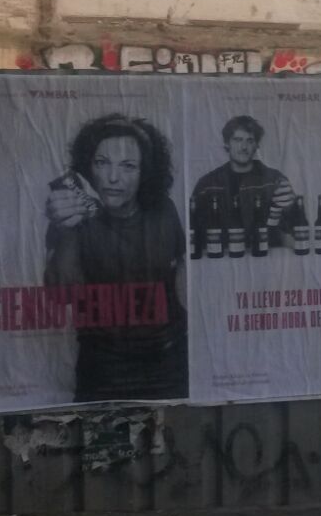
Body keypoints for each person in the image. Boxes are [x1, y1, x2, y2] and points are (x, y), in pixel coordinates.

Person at [45, 114, 187, 402]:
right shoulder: (71, 217)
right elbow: (61, 298)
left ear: (145, 172)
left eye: (128, 166)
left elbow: (182, 280)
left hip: (168, 362)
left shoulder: (164, 211)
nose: (112, 178)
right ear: (88, 167)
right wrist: (68, 232)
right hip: (102, 367)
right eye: (102, 163)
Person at [190, 115, 296, 247]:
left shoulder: (275, 181)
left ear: (256, 145)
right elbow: (194, 234)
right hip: (221, 262)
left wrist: (290, 209)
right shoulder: (206, 185)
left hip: (266, 260)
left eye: (250, 140)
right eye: (237, 140)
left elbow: (294, 230)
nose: (244, 147)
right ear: (227, 143)